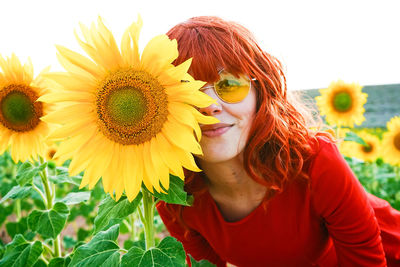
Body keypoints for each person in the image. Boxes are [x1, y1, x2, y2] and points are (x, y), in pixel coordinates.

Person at [156, 16, 400, 267]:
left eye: (228, 84)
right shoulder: (174, 196)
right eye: (187, 93)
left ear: (259, 91)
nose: (210, 107)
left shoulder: (314, 162)